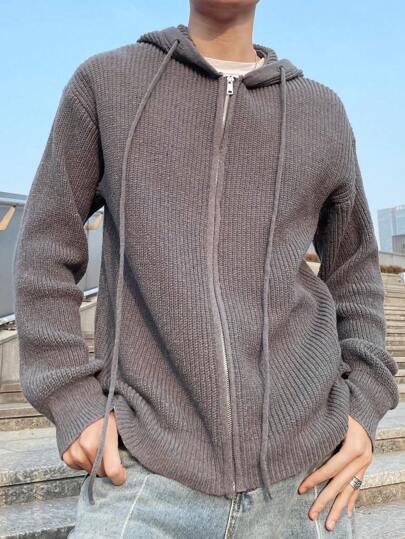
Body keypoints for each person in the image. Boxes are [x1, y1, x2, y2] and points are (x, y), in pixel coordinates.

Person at [13, 1, 399, 537]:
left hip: (306, 480)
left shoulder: (322, 111)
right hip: (147, 471)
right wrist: (71, 397)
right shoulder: (105, 84)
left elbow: (355, 270)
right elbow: (44, 248)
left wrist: (364, 406)